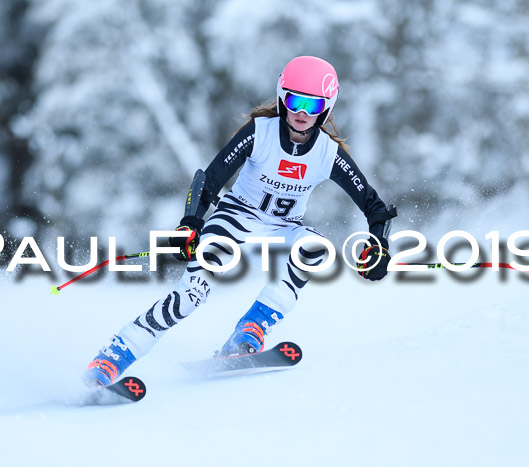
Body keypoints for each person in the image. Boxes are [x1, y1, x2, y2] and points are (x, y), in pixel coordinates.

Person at [84, 56, 397, 386]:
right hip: (235, 219)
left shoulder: (326, 153)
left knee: (314, 247)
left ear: (326, 109)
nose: (302, 112)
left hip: (282, 227)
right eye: (294, 101)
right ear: (281, 98)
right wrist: (190, 223)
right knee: (190, 295)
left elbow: (374, 206)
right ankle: (115, 354)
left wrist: (378, 247)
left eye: (313, 104)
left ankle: (251, 330)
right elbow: (211, 177)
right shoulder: (259, 133)